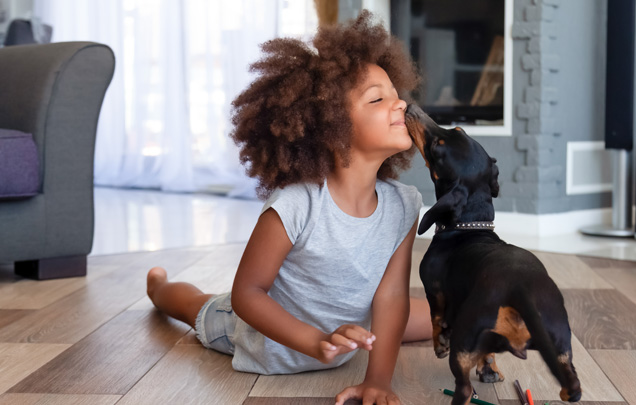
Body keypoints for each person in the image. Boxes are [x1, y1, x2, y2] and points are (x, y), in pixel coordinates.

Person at [146, 10, 432, 405]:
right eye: (378, 98)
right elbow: (247, 293)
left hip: (347, 331)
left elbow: (391, 298)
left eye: (395, 92)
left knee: (437, 317)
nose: (400, 103)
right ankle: (159, 286)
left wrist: (378, 381)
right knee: (198, 306)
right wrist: (314, 341)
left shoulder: (404, 205)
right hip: (262, 338)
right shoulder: (297, 205)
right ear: (332, 127)